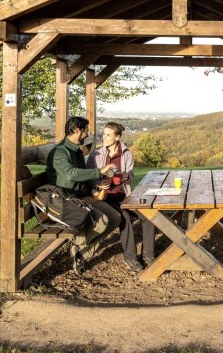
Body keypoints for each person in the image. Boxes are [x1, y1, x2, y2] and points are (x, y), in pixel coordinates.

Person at [46, 116, 121, 275]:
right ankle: (78, 245)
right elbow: (70, 174)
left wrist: (93, 188)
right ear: (76, 130)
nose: (87, 134)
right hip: (67, 200)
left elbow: (83, 177)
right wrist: (100, 170)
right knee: (102, 222)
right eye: (85, 131)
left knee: (115, 217)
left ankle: (81, 253)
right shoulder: (60, 153)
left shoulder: (77, 150)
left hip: (82, 196)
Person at [87, 121, 155, 272]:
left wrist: (122, 176)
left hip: (124, 195)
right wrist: (98, 184)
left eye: (108, 135)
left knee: (148, 216)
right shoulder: (96, 154)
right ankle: (130, 257)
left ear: (117, 137)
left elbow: (130, 177)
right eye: (103, 134)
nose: (104, 137)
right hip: (104, 198)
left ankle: (149, 255)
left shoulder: (126, 153)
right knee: (124, 216)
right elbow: (88, 177)